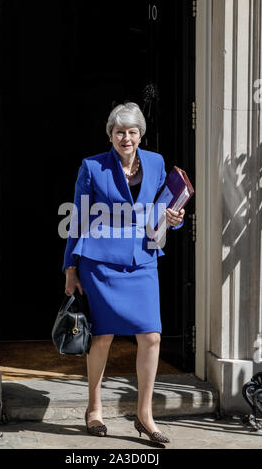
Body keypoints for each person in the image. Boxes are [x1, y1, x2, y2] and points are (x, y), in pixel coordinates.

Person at [62, 102, 185, 445]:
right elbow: (79, 218)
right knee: (102, 336)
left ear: (140, 135)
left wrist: (174, 220)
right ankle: (94, 408)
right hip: (99, 263)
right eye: (119, 132)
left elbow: (164, 209)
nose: (126, 138)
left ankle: (145, 415)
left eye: (132, 132)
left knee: (151, 336)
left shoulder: (158, 163)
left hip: (142, 260)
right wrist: (70, 268)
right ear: (110, 135)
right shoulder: (92, 167)